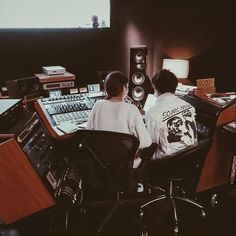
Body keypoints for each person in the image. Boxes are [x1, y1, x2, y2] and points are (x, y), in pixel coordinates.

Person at [87, 71, 152, 168]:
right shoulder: (132, 109)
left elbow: (89, 132)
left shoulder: (97, 105)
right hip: (126, 164)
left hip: (101, 163)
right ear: (124, 88)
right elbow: (146, 142)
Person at [145, 69, 198, 160]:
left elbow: (150, 146)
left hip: (167, 162)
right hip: (191, 157)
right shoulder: (188, 106)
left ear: (155, 86)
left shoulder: (152, 113)